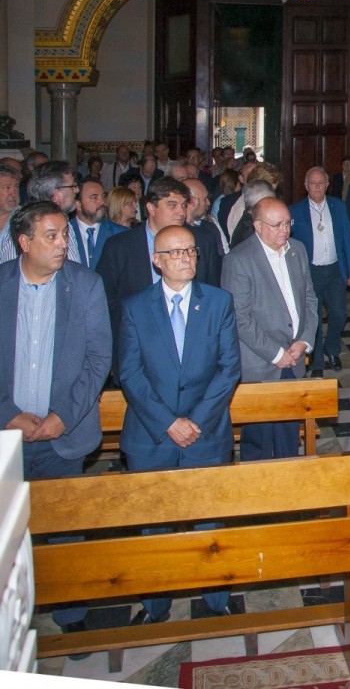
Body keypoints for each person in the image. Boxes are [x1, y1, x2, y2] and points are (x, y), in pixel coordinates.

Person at [117, 225, 241, 623]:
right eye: (174, 252)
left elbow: (229, 369)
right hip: (151, 435)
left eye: (190, 250)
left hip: (206, 433)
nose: (185, 258)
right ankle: (155, 605)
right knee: (156, 524)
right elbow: (129, 373)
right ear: (156, 260)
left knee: (209, 521)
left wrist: (196, 422)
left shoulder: (219, 302)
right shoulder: (136, 307)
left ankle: (215, 599)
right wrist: (169, 422)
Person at [0, 201, 111, 639]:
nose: (64, 243)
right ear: (24, 242)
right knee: (9, 534)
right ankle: (11, 622)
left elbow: (99, 358)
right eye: (52, 235)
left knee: (65, 532)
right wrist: (7, 414)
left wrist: (64, 416)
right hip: (6, 437)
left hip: (64, 435)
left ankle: (70, 614)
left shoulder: (85, 285)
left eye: (65, 234)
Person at [221, 198, 318, 460]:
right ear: (258, 226)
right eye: (277, 225)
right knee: (260, 440)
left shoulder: (297, 250)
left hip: (294, 357)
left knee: (289, 436)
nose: (284, 231)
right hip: (260, 363)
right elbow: (239, 317)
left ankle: (289, 492)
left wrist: (304, 341)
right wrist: (277, 354)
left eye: (288, 223)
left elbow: (310, 299)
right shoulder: (239, 260)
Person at [97, 178, 223, 368]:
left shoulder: (203, 241)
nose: (181, 212)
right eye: (172, 205)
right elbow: (108, 303)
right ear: (150, 207)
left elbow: (212, 293)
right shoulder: (120, 247)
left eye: (183, 205)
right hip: (139, 352)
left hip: (192, 349)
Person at [289, 167, 350, 374]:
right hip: (310, 272)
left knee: (339, 314)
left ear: (328, 185)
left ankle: (332, 347)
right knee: (315, 319)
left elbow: (348, 238)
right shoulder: (295, 210)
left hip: (335, 270)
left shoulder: (338, 206)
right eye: (313, 183)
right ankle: (318, 361)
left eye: (321, 183)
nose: (317, 187)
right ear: (305, 186)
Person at [26, 161, 83, 263]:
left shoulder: (66, 224)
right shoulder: (26, 227)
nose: (77, 190)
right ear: (57, 195)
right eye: (73, 186)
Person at [71, 179, 123, 269]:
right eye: (94, 197)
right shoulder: (66, 232)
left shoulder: (121, 234)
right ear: (78, 204)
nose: (102, 203)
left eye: (103, 197)